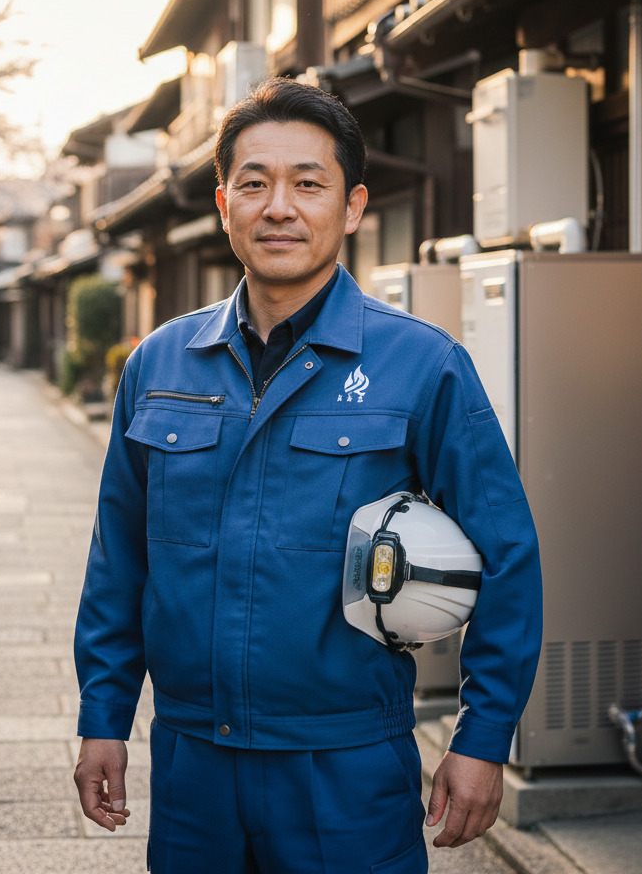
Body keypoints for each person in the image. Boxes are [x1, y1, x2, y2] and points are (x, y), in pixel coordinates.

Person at [73, 77, 542, 872]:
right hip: (194, 764)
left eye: (308, 184)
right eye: (254, 183)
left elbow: (509, 557)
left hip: (346, 765)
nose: (279, 207)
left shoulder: (422, 365)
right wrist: (103, 716)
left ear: (351, 206)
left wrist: (483, 736)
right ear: (224, 204)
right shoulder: (157, 365)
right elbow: (120, 560)